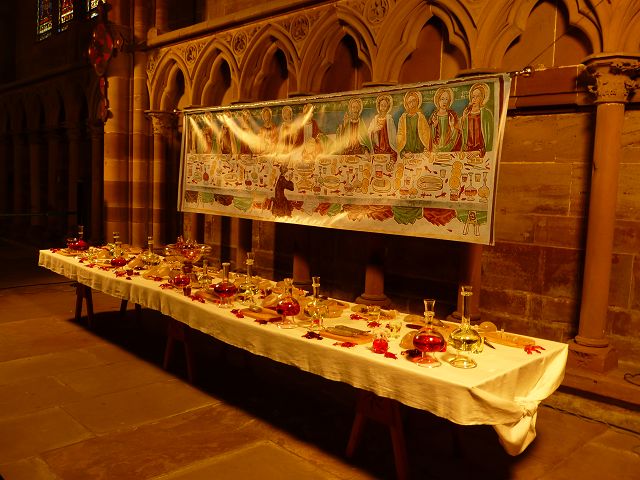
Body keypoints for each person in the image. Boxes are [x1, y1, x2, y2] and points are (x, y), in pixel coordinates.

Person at [461, 82, 493, 157]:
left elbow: (489, 136)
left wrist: (480, 151)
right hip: (468, 151)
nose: (474, 99)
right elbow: (462, 132)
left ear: (482, 98)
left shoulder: (486, 113)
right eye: (473, 97)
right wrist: (464, 117)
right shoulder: (467, 113)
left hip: (480, 151)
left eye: (477, 96)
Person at [396, 89, 431, 157]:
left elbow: (426, 133)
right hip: (407, 152)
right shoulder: (403, 118)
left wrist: (426, 148)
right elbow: (400, 135)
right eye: (410, 102)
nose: (412, 104)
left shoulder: (421, 117)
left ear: (417, 102)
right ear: (407, 104)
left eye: (414, 101)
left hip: (421, 152)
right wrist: (403, 152)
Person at [430, 86, 462, 152]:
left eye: (446, 99)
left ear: (449, 101)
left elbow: (458, 133)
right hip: (436, 148)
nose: (444, 102)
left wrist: (452, 127)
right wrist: (434, 126)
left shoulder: (452, 115)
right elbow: (429, 135)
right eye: (442, 99)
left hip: (450, 147)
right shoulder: (434, 116)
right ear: (438, 100)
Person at [368, 94, 398, 162]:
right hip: (377, 147)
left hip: (388, 146)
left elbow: (393, 133)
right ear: (379, 106)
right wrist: (374, 130)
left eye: (385, 106)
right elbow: (369, 131)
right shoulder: (375, 119)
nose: (383, 107)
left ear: (388, 107)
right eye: (382, 105)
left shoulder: (389, 119)